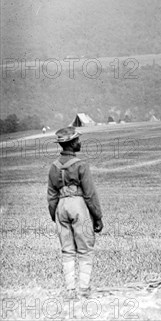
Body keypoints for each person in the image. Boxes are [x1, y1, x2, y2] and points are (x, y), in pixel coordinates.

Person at [47, 127, 103, 298]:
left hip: (60, 208)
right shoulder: (81, 165)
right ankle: (84, 289)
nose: (80, 142)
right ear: (71, 144)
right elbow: (90, 194)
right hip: (78, 205)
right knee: (85, 248)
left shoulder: (53, 167)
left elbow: (51, 196)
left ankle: (70, 290)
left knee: (67, 249)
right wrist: (97, 217)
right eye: (77, 140)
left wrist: (54, 216)